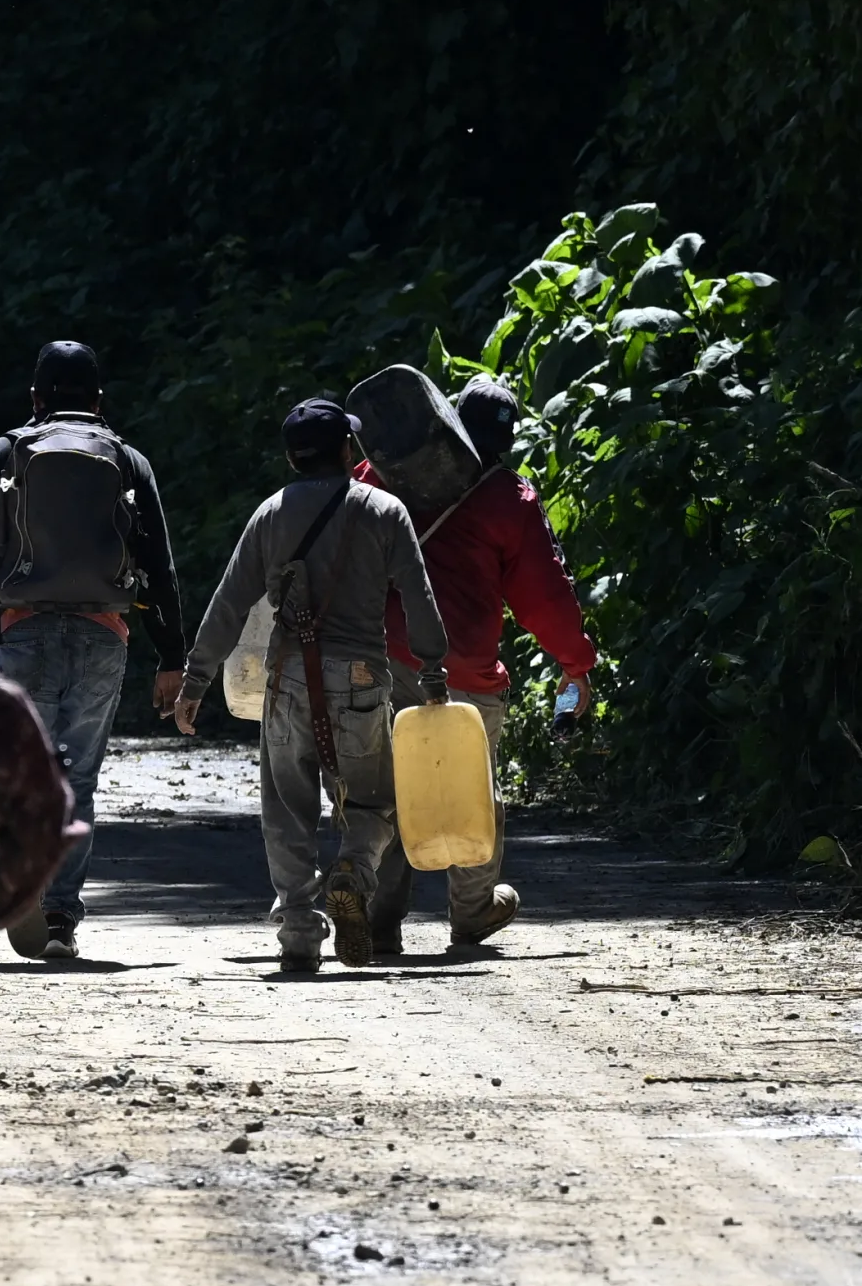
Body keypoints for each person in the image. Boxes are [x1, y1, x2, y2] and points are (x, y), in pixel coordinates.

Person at [173, 401, 449, 972]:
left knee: (286, 806)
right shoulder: (384, 510)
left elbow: (230, 602)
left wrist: (196, 679)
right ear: (347, 449)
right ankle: (354, 870)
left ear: (292, 457)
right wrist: (433, 671)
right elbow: (418, 595)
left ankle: (299, 930)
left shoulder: (270, 514)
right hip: (361, 678)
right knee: (376, 798)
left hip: (289, 677)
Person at [0, 340, 187, 958]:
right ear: (99, 401)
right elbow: (158, 565)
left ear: (35, 398)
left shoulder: (4, 452)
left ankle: (20, 878)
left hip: (19, 630)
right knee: (77, 779)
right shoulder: (128, 460)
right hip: (104, 635)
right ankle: (58, 919)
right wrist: (172, 657)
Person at [368, 376, 599, 952]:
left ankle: (378, 915)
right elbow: (546, 594)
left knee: (388, 787)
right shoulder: (510, 499)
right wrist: (575, 664)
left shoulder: (386, 474)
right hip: (465, 669)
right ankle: (472, 910)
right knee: (473, 787)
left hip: (381, 654)